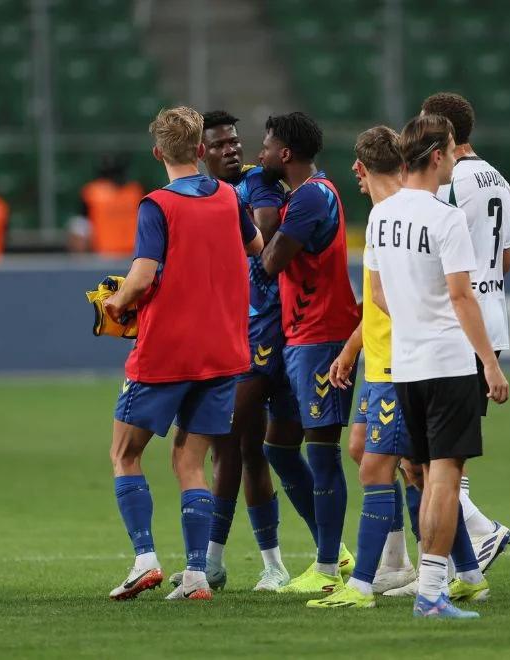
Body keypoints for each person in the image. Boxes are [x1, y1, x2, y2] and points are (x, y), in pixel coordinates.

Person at [105, 107, 262, 602]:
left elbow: (143, 276)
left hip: (166, 352)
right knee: (190, 463)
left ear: (158, 153)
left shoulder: (156, 205)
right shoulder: (229, 198)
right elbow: (257, 247)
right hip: (222, 353)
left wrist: (117, 301)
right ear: (199, 150)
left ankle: (146, 560)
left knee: (125, 453)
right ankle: (196, 574)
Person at [365, 114, 509, 620]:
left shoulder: (381, 215)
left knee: (425, 475)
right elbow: (461, 295)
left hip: (405, 365)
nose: (454, 159)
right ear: (435, 157)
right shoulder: (444, 217)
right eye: (450, 151)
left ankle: (432, 590)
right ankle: (430, 593)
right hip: (448, 362)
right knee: (446, 476)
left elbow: (378, 292)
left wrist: (412, 321)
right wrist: (489, 363)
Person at [306, 125, 426, 609]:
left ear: (359, 167)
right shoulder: (392, 213)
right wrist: (352, 349)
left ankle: (383, 578)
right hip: (379, 359)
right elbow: (378, 306)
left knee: (392, 468)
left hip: (399, 363)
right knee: (370, 451)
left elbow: (389, 298)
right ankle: (410, 564)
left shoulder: (390, 218)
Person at [179, 109, 297, 592]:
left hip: (267, 334)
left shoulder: (256, 184)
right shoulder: (201, 194)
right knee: (244, 448)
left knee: (236, 442)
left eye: (234, 140)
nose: (232, 148)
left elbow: (265, 238)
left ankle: (238, 561)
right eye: (220, 143)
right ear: (201, 151)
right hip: (231, 334)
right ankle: (256, 564)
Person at [258, 111, 362, 594]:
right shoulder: (305, 195)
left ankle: (326, 567)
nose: (259, 153)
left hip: (323, 336)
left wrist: (250, 219)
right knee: (278, 446)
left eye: (266, 145)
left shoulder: (310, 199)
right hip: (300, 335)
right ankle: (331, 553)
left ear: (285, 153)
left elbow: (270, 262)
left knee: (322, 453)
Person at [423, 92, 510, 573]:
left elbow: (436, 252)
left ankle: (479, 532)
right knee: (447, 446)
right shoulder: (498, 178)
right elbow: (505, 259)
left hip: (461, 322)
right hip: (492, 316)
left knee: (439, 449)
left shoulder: (450, 181)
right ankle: (463, 545)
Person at [81, 155, 145, 256]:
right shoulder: (92, 192)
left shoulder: (135, 191)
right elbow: (83, 224)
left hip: (132, 252)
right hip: (106, 253)